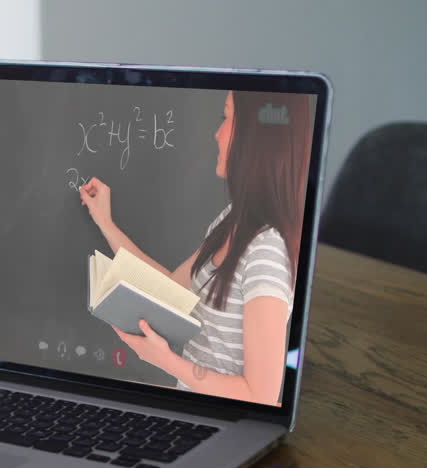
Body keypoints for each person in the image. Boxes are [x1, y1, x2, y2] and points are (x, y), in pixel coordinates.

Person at [79, 90, 313, 405]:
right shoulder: (232, 220)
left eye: (226, 117)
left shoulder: (266, 252)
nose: (217, 133)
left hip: (224, 426)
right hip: (192, 409)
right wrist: (106, 223)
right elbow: (169, 289)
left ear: (254, 136)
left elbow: (261, 396)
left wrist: (165, 361)